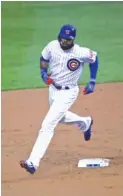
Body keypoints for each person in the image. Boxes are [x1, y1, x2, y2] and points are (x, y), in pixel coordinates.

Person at [20, 24, 99, 174]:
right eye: (63, 39)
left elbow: (94, 58)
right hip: (53, 90)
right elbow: (44, 58)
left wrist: (92, 81)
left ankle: (33, 162)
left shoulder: (80, 52)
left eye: (68, 40)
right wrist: (43, 74)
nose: (64, 42)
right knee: (60, 118)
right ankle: (85, 122)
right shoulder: (52, 46)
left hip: (69, 92)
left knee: (48, 124)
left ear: (73, 40)